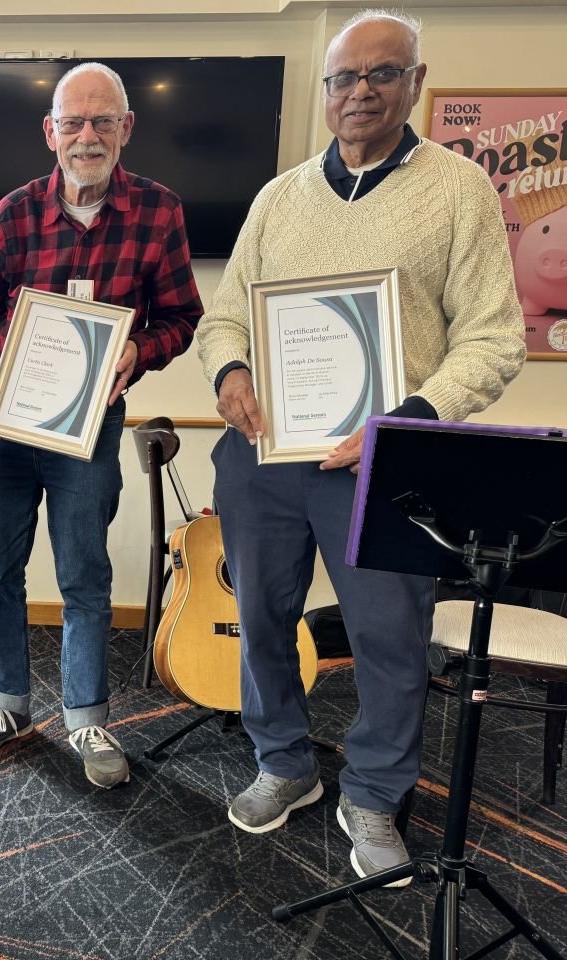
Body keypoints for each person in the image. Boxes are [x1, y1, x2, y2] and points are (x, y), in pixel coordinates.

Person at [196, 9, 525, 883]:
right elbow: (223, 317)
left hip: (387, 463)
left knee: (388, 636)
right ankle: (284, 762)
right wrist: (230, 370)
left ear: (416, 82)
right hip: (265, 455)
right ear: (326, 90)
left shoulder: (458, 191)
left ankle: (375, 793)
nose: (361, 91)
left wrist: (407, 416)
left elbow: (494, 340)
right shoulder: (279, 197)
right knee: (260, 617)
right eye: (344, 77)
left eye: (382, 73)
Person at [0, 63, 203, 788]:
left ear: (127, 128)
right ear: (50, 132)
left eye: (102, 121)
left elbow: (182, 317)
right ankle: (6, 704)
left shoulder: (159, 212)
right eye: (73, 122)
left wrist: (137, 350)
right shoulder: (12, 215)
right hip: (7, 430)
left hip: (90, 430)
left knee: (85, 575)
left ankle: (87, 718)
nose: (87, 136)